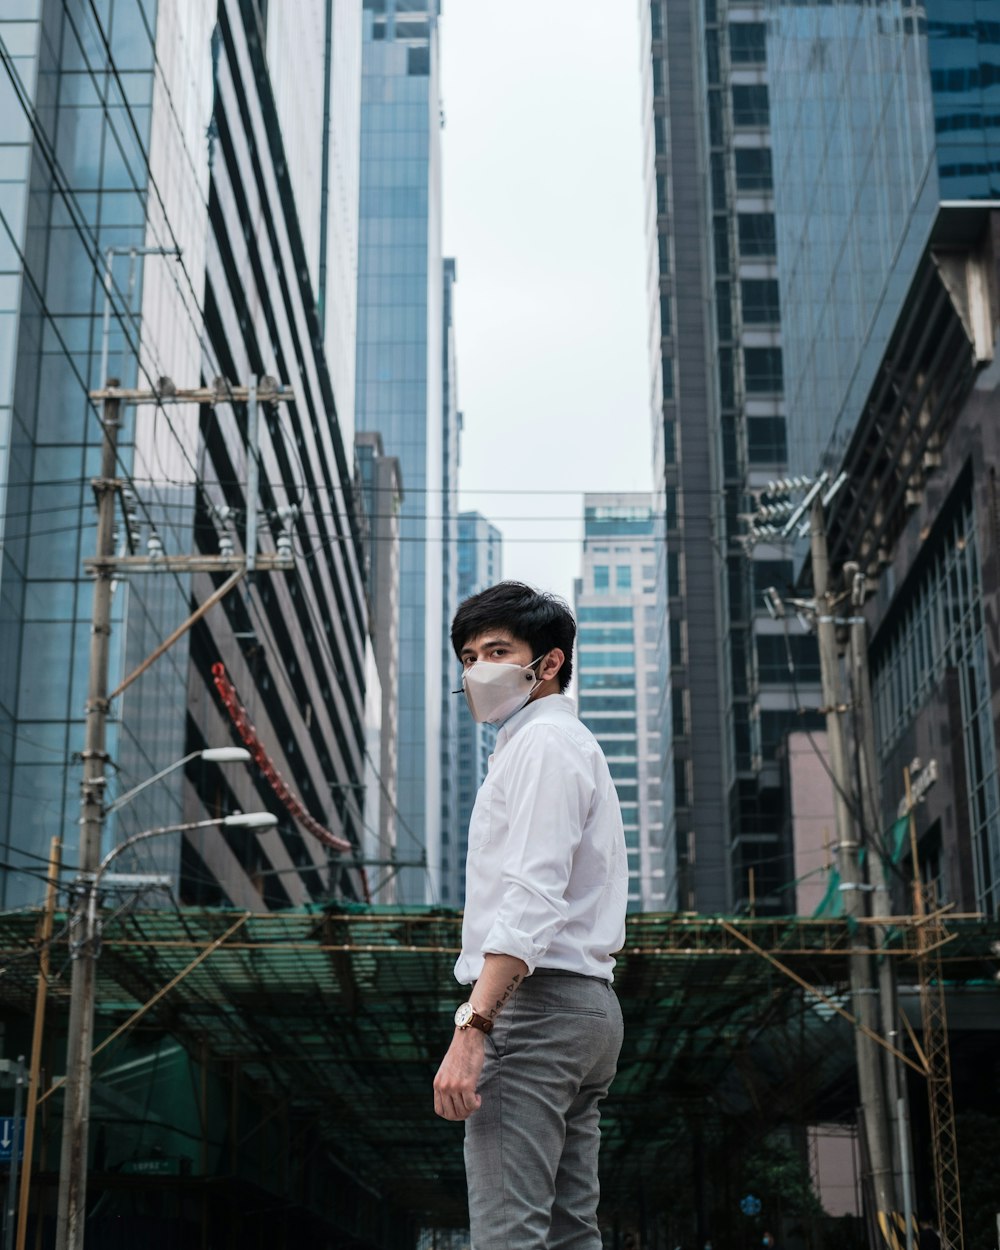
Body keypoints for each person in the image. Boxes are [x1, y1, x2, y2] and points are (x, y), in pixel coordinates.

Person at [433, 582, 628, 1249]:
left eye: (496, 651)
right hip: (587, 1009)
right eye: (467, 656)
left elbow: (533, 895)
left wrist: (475, 1024)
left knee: (508, 1235)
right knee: (570, 1232)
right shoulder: (553, 746)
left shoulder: (543, 748)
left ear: (547, 663)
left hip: (535, 1009)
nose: (476, 670)